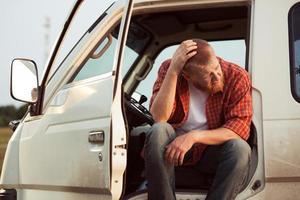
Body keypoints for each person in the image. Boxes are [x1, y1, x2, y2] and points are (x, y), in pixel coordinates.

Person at [144, 39, 253, 200]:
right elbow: (159, 117)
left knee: (240, 148)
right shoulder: (169, 69)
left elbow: (240, 128)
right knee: (159, 130)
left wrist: (193, 136)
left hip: (210, 152)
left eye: (216, 68)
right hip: (173, 153)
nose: (217, 76)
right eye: (208, 75)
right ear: (187, 76)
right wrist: (173, 70)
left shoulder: (236, 76)